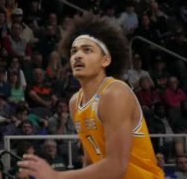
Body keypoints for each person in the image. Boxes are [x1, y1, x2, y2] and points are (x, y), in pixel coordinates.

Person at [19, 14, 164, 179]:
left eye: (87, 50)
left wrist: (57, 176)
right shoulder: (75, 102)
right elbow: (91, 160)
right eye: (74, 51)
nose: (78, 56)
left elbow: (117, 166)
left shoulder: (115, 93)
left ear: (105, 60)